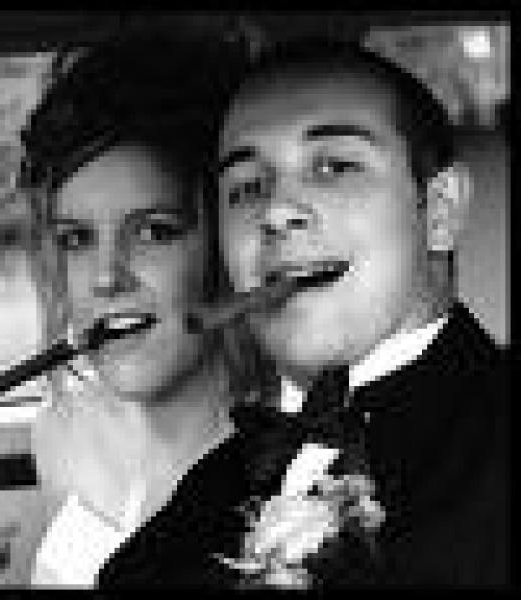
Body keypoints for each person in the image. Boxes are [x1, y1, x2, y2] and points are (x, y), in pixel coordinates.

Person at [209, 36, 510, 588]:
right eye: (247, 187)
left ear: (439, 211)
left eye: (333, 167)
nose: (275, 212)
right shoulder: (189, 513)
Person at [19, 34, 239, 587]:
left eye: (154, 232)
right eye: (76, 239)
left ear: (226, 245)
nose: (106, 277)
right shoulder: (61, 430)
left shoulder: (304, 462)